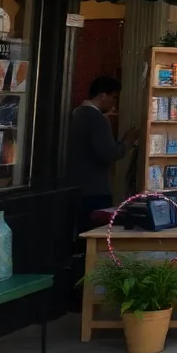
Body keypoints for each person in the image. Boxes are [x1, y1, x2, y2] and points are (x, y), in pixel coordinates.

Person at [68, 76, 139, 236]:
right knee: (95, 236)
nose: (115, 103)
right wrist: (127, 142)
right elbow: (108, 154)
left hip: (76, 187)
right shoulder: (97, 119)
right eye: (114, 97)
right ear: (103, 96)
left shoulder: (76, 113)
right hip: (94, 190)